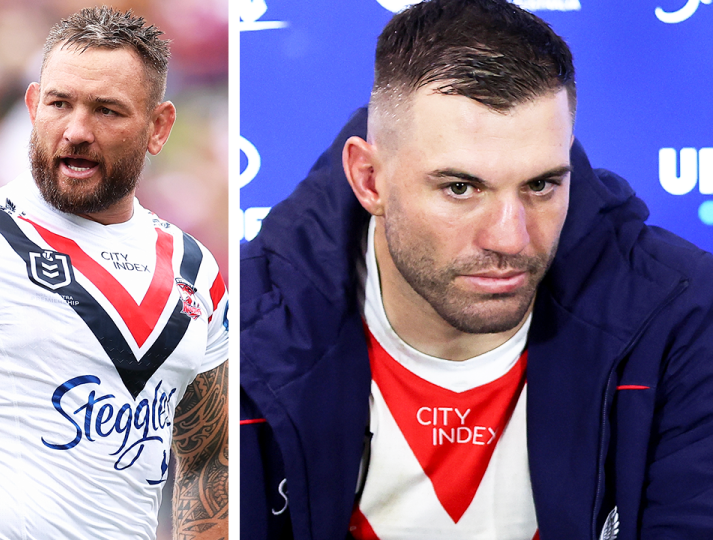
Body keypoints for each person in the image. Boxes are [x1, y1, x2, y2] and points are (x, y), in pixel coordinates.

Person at [240, 1, 713, 539]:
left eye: (541, 186)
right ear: (370, 180)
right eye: (460, 188)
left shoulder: (683, 315)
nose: (510, 238)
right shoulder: (236, 327)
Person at [0, 7, 229, 539]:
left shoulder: (197, 269)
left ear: (159, 127)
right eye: (60, 104)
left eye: (107, 111)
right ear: (34, 106)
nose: (76, 131)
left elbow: (206, 464)